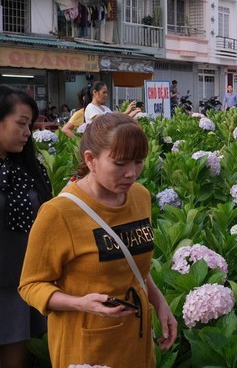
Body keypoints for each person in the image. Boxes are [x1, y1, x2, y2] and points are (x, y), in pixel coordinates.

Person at [19, 113, 177, 367]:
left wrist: (159, 303)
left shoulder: (140, 197)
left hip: (137, 337)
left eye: (138, 162)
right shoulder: (59, 213)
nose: (131, 173)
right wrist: (80, 303)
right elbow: (30, 285)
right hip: (87, 344)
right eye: (120, 163)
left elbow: (133, 263)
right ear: (91, 160)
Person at [0, 86, 53, 368]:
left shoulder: (30, 169)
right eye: (21, 123)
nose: (27, 132)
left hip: (19, 288)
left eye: (29, 125)